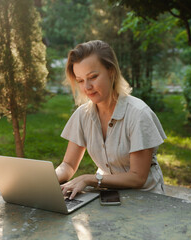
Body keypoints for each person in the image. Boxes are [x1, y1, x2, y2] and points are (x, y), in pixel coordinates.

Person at [55, 40, 167, 199]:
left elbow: (137, 178)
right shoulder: (82, 115)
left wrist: (88, 179)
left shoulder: (139, 114)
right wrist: (47, 179)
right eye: (80, 80)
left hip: (146, 201)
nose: (86, 87)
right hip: (108, 197)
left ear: (111, 71)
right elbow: (68, 165)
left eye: (92, 77)